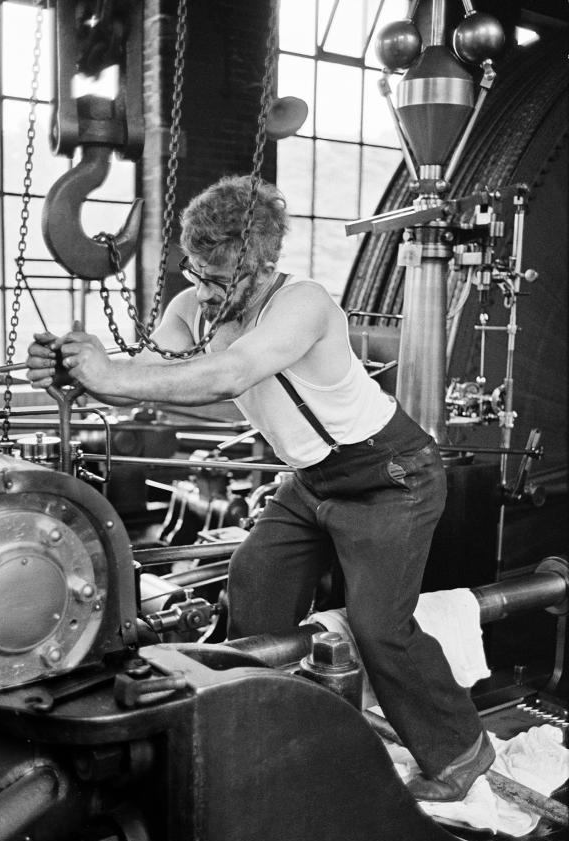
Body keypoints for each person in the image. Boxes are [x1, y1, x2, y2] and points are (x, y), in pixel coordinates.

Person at [26, 174, 494, 802]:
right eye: (198, 275)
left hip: (392, 476)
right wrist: (81, 366)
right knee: (253, 587)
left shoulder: (305, 303)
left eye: (224, 280)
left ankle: (460, 747)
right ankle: (263, 733)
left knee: (379, 624)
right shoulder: (192, 305)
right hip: (310, 481)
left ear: (262, 261)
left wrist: (111, 375)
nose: (209, 293)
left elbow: (229, 373)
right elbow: (152, 375)